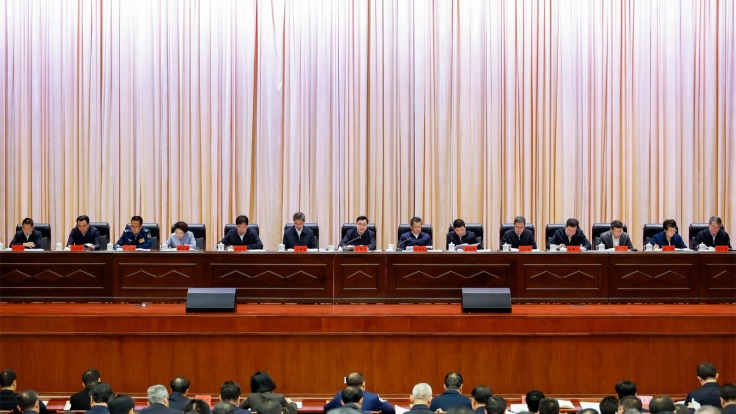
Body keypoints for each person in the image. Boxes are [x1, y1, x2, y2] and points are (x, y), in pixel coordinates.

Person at [324, 372, 394, 414]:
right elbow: (390, 410)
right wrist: (382, 401)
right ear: (364, 384)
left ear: (347, 385)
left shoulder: (340, 395)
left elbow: (326, 408)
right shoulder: (373, 398)